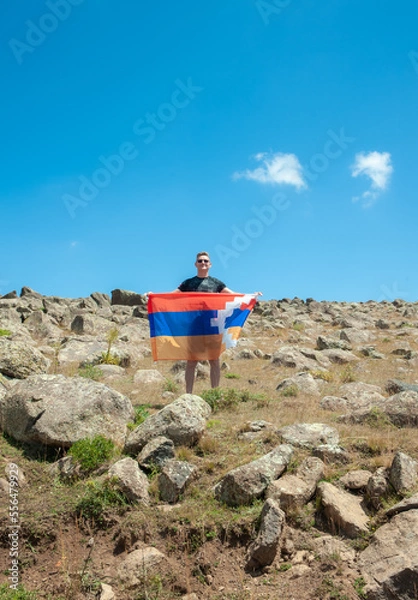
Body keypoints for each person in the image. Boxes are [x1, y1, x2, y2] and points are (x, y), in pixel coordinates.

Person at [172, 251, 261, 393]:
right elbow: (170, 296)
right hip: (194, 326)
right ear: (196, 264)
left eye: (205, 261)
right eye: (200, 261)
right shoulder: (188, 283)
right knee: (191, 361)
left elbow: (234, 296)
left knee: (214, 360)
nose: (203, 263)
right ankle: (188, 395)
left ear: (210, 264)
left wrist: (251, 296)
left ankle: (215, 393)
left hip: (212, 326)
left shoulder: (216, 283)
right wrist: (152, 296)